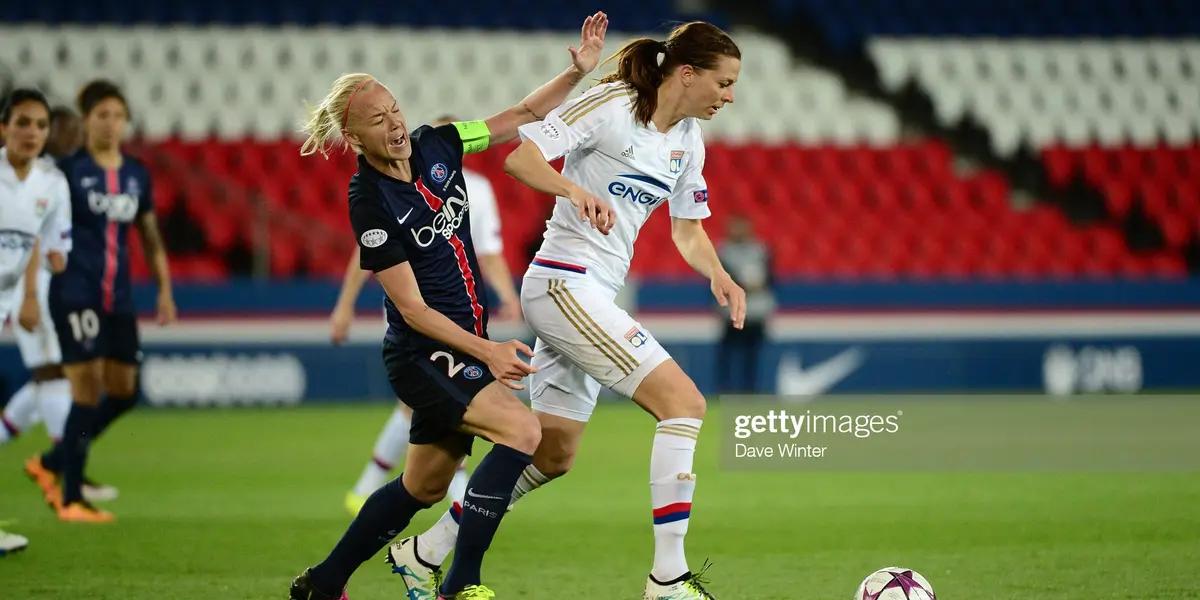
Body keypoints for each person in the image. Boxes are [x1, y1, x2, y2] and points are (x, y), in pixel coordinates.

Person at [400, 21, 744, 600]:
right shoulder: (612, 104)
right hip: (563, 283)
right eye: (725, 82)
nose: (730, 96)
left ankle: (425, 551)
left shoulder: (689, 140)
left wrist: (718, 272)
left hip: (593, 295)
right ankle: (667, 578)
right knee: (683, 404)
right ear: (687, 74)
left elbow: (688, 229)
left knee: (553, 453)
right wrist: (573, 191)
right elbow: (522, 159)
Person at [289, 12, 611, 600]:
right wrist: (487, 350)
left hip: (459, 346)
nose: (395, 123)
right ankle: (460, 584)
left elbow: (520, 115)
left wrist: (576, 73)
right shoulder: (369, 201)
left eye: (395, 109)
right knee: (522, 430)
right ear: (354, 139)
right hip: (423, 354)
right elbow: (411, 309)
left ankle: (324, 583)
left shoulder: (439, 144)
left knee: (424, 487)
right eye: (378, 120)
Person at [330, 116, 520, 516]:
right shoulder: (388, 191)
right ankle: (441, 489)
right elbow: (368, 253)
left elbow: (489, 251)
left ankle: (376, 486)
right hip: (416, 314)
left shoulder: (476, 189)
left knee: (438, 404)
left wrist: (507, 294)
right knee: (428, 401)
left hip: (461, 313)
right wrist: (345, 304)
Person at [24, 80, 178, 523]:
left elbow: (150, 236)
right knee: (87, 392)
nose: (111, 124)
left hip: (119, 298)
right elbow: (38, 233)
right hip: (75, 292)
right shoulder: (65, 173)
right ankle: (71, 498)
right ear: (86, 120)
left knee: (126, 391)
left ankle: (53, 461)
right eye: (102, 115)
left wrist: (165, 290)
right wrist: (31, 293)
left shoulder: (136, 174)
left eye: (118, 116)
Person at [0, 88, 72, 557]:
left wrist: (34, 288)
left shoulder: (51, 182)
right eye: (23, 122)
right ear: (3, 127)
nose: (32, 132)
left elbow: (48, 247)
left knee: (52, 372)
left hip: (15, 295)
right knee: (53, 374)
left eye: (41, 125)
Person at [1, 106, 82, 461]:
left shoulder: (59, 176)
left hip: (48, 285)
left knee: (52, 373)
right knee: (52, 372)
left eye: (76, 128)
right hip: (28, 285)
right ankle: (63, 465)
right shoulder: (35, 177)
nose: (74, 135)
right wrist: (31, 294)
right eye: (66, 128)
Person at [716, 215, 774, 394]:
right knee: (728, 353)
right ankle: (725, 389)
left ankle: (751, 391)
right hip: (732, 311)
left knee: (753, 354)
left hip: (756, 311)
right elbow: (721, 278)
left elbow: (771, 278)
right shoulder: (723, 251)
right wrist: (742, 284)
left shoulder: (760, 250)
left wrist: (759, 284)